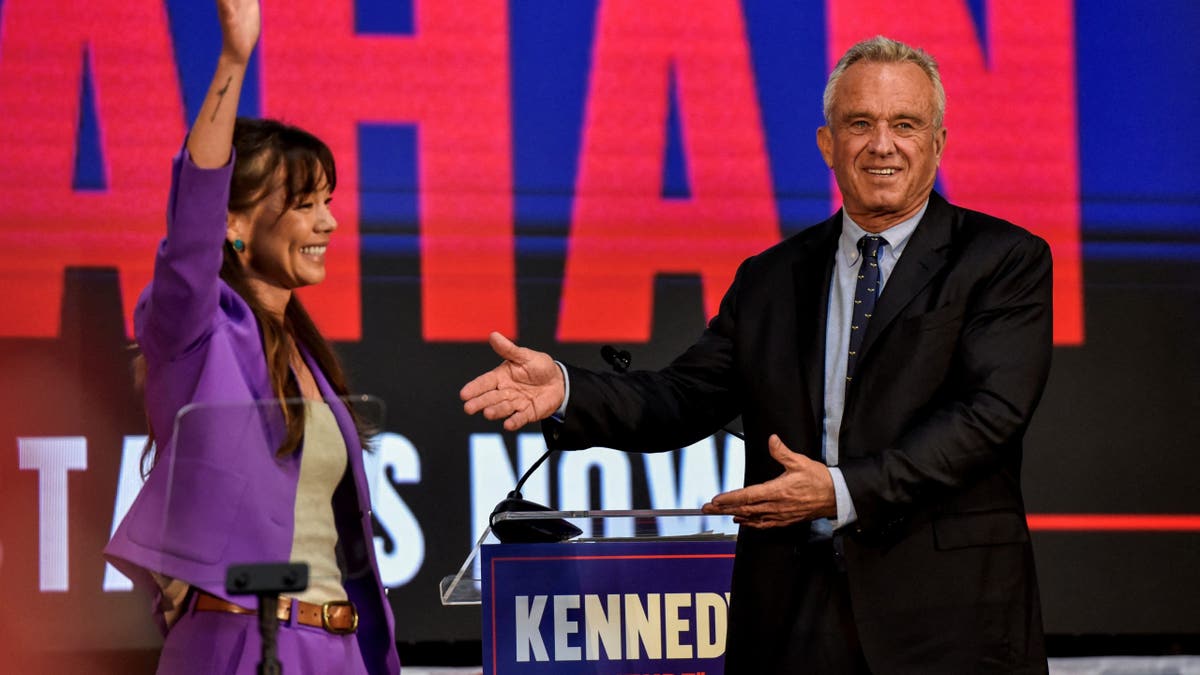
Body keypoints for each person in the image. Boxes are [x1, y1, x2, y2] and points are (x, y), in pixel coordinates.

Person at [461, 35, 1051, 674]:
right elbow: (683, 398)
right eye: (860, 124)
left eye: (905, 124)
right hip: (793, 622)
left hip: (947, 625)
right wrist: (570, 390)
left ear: (938, 142)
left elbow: (987, 417)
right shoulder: (772, 278)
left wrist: (840, 491)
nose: (883, 144)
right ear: (828, 144)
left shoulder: (1002, 261)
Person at [104, 2, 400, 673]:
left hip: (338, 646)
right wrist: (234, 59)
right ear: (235, 225)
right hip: (242, 645)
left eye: (328, 200)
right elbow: (191, 226)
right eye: (303, 204)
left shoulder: (305, 354)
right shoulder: (194, 333)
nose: (327, 222)